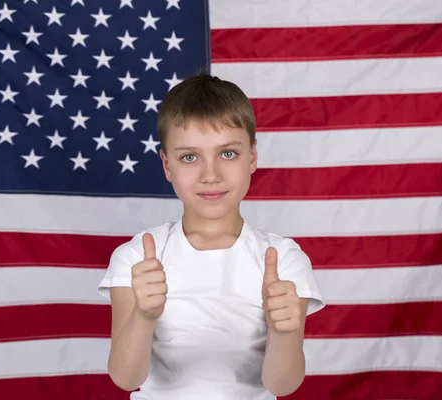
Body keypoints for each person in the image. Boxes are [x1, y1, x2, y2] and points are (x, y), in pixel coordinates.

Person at [97, 73, 325, 400]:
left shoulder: (284, 258)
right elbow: (125, 376)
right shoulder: (137, 258)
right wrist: (144, 316)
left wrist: (285, 332)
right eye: (190, 157)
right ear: (167, 165)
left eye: (227, 153)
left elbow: (282, 385)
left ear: (252, 156)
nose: (211, 175)